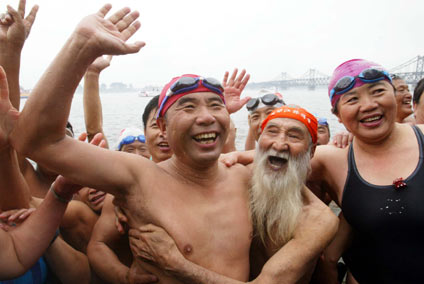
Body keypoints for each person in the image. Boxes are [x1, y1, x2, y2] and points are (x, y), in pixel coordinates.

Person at [9, 6, 336, 282]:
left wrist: (178, 266)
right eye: (188, 107)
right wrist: (81, 49)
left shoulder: (246, 178)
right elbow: (37, 142)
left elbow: (299, 159)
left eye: (215, 105)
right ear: (161, 128)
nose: (206, 116)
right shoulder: (138, 176)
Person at [127, 106, 338, 284]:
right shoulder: (239, 177)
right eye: (271, 133)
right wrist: (128, 202)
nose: (279, 144)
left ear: (311, 152)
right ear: (259, 142)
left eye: (293, 136)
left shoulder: (318, 219)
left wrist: (176, 265)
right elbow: (175, 179)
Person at [306, 59, 424, 283]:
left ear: (395, 96)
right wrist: (233, 152)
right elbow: (276, 159)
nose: (368, 105)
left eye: (378, 91)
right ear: (338, 116)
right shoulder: (332, 160)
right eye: (352, 99)